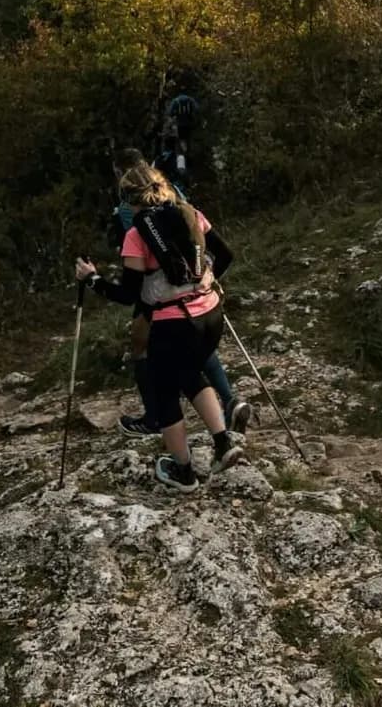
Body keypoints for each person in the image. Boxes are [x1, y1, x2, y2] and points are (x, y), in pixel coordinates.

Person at [77, 163, 243, 491]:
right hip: (211, 314)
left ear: (128, 200)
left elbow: (128, 295)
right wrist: (206, 286)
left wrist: (92, 279)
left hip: (174, 323)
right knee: (192, 375)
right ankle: (224, 443)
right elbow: (225, 254)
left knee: (164, 393)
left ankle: (183, 472)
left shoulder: (137, 236)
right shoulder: (189, 213)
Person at [103, 149, 251, 438]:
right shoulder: (172, 192)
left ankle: (155, 418)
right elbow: (214, 245)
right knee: (196, 350)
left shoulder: (128, 208)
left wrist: (95, 278)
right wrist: (205, 281)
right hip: (198, 286)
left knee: (147, 350)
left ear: (121, 175)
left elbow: (138, 255)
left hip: (160, 291)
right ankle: (229, 402)